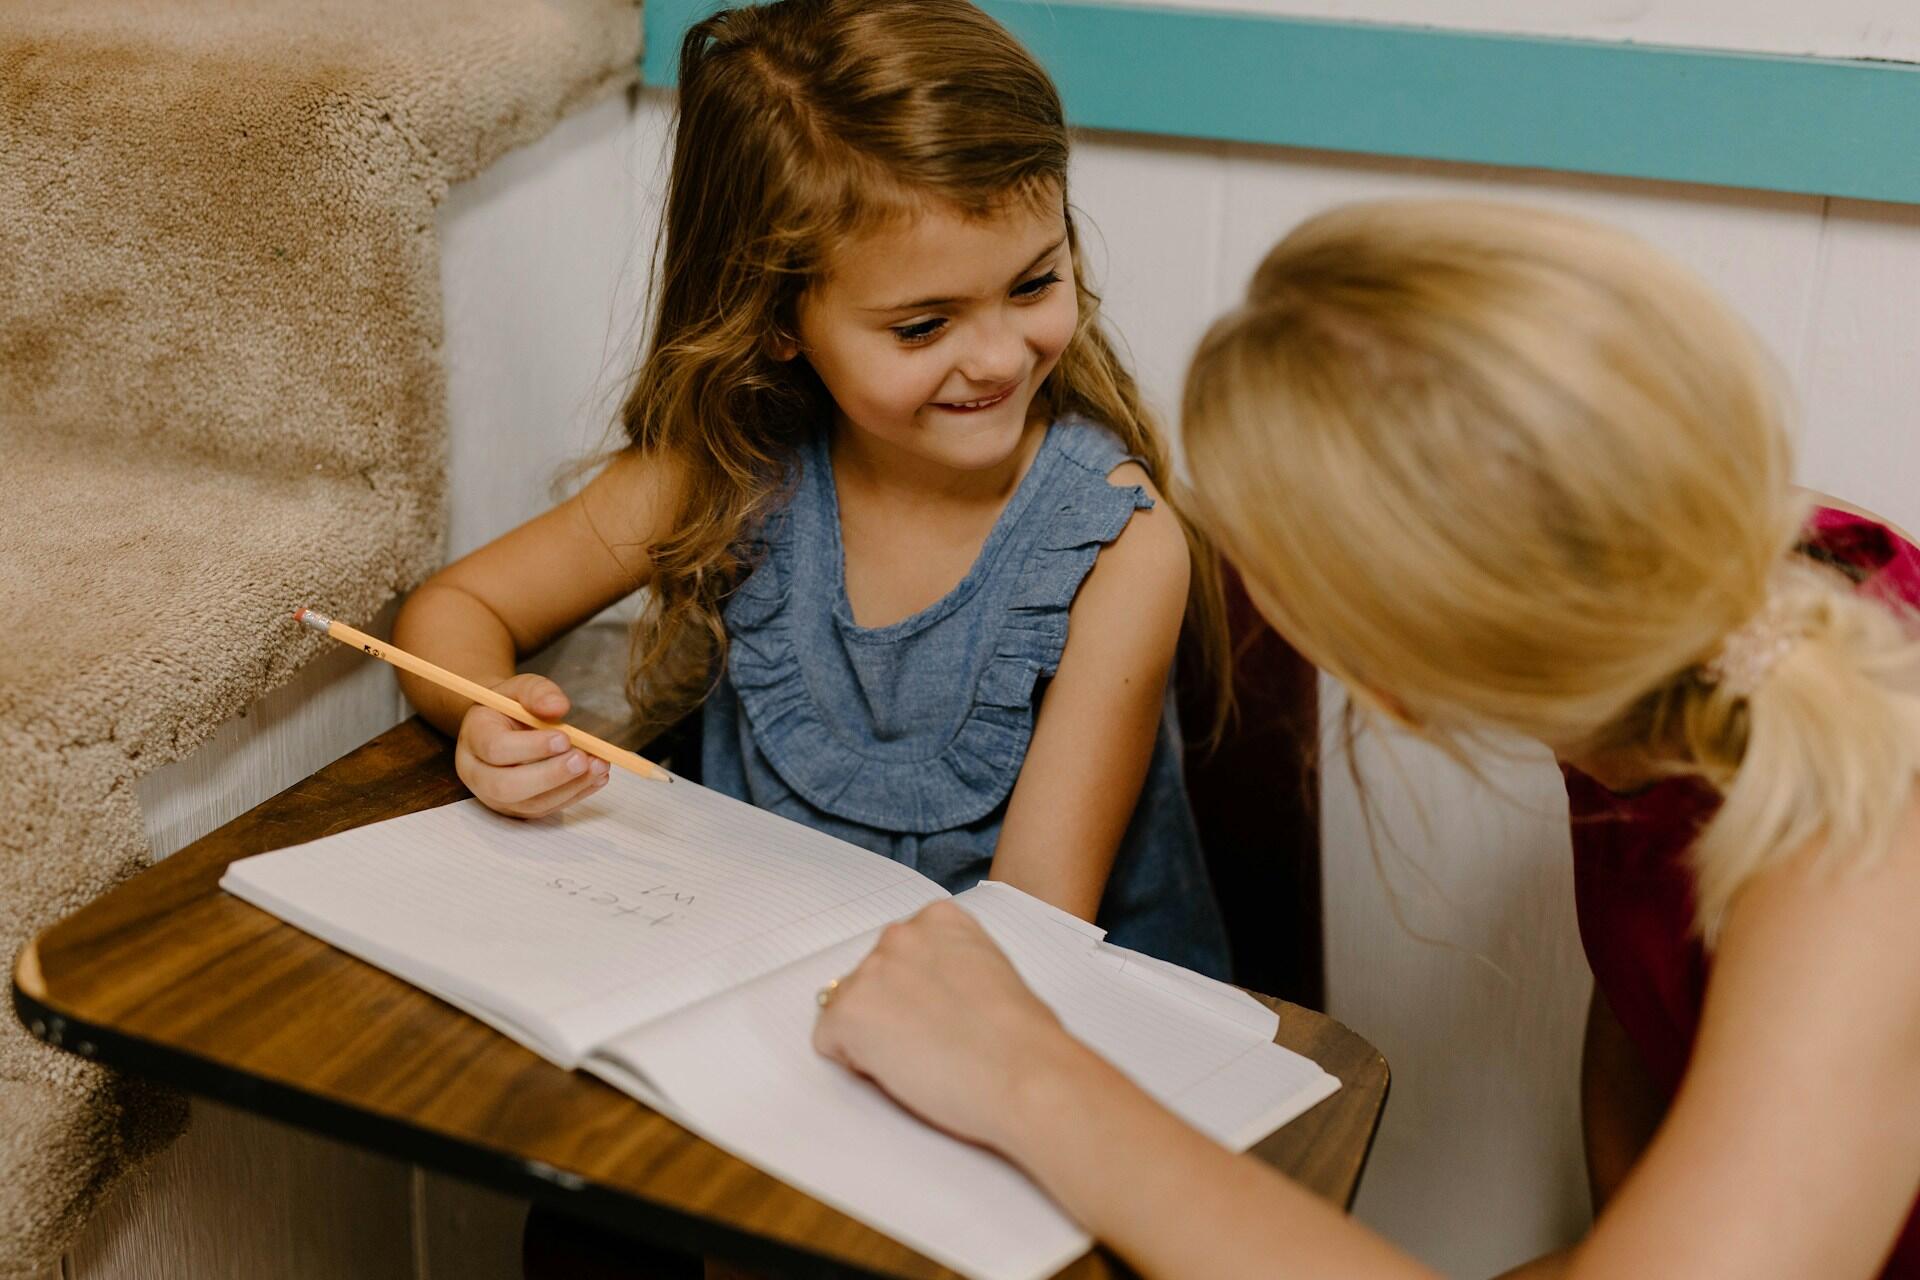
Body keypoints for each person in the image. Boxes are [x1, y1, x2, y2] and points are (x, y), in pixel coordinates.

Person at [812, 199, 1920, 1279]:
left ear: (1394, 687)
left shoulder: (1860, 836)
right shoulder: (1664, 599)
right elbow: (1659, 1011)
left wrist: (1026, 1073)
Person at [390, 0, 1232, 979]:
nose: (1000, 355)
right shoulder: (729, 464)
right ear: (779, 318)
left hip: (1019, 1020)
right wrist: (488, 712)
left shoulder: (1118, 548)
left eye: (1034, 283)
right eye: (923, 326)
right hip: (754, 982)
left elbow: (1029, 939)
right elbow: (459, 604)